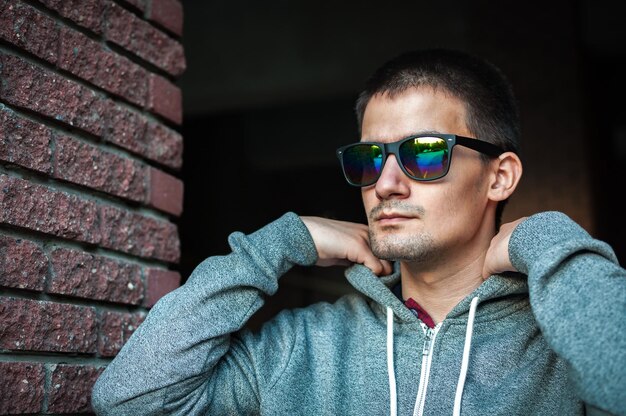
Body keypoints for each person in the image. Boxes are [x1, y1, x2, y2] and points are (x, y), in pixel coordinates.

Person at [91, 49, 626, 416]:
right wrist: (276, 246)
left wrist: (550, 240)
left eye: (423, 152)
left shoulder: (562, 340)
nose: (386, 184)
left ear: (499, 176)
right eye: (370, 158)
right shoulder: (304, 346)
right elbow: (129, 399)